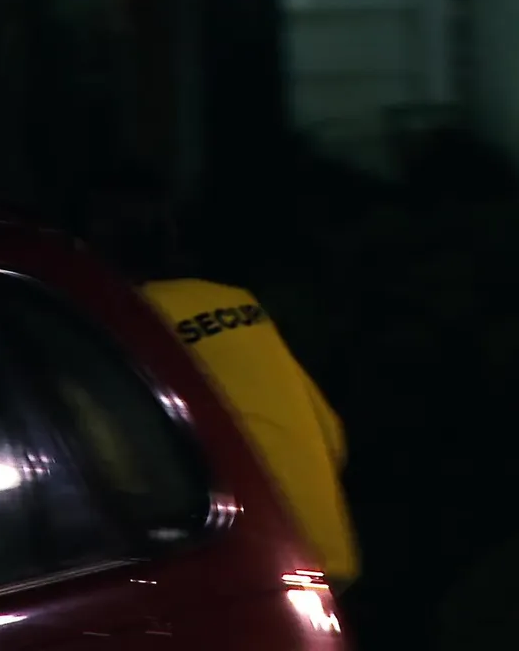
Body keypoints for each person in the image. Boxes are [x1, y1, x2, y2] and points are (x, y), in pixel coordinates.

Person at [79, 183, 361, 596]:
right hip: (327, 555)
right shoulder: (236, 300)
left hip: (243, 572)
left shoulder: (115, 321)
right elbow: (331, 433)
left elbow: (112, 467)